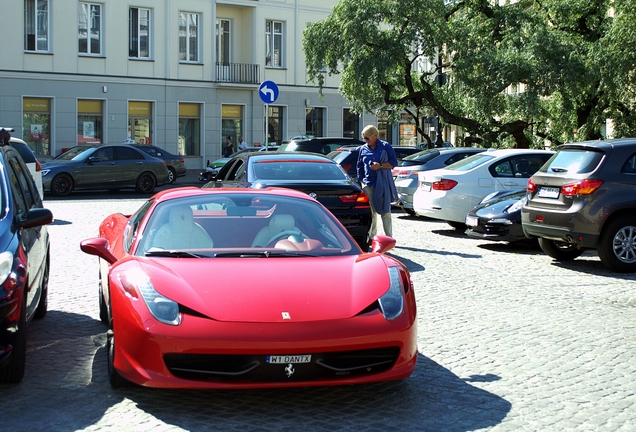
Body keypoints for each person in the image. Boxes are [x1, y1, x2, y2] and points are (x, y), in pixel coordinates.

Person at [356, 125, 398, 240]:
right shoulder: (363, 149)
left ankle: (389, 238)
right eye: (364, 139)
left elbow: (394, 162)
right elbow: (359, 165)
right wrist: (361, 180)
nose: (366, 141)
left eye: (367, 138)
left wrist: (380, 166)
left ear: (374, 136)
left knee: (385, 211)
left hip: (383, 183)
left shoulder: (385, 147)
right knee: (371, 212)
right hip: (368, 184)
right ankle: (372, 237)